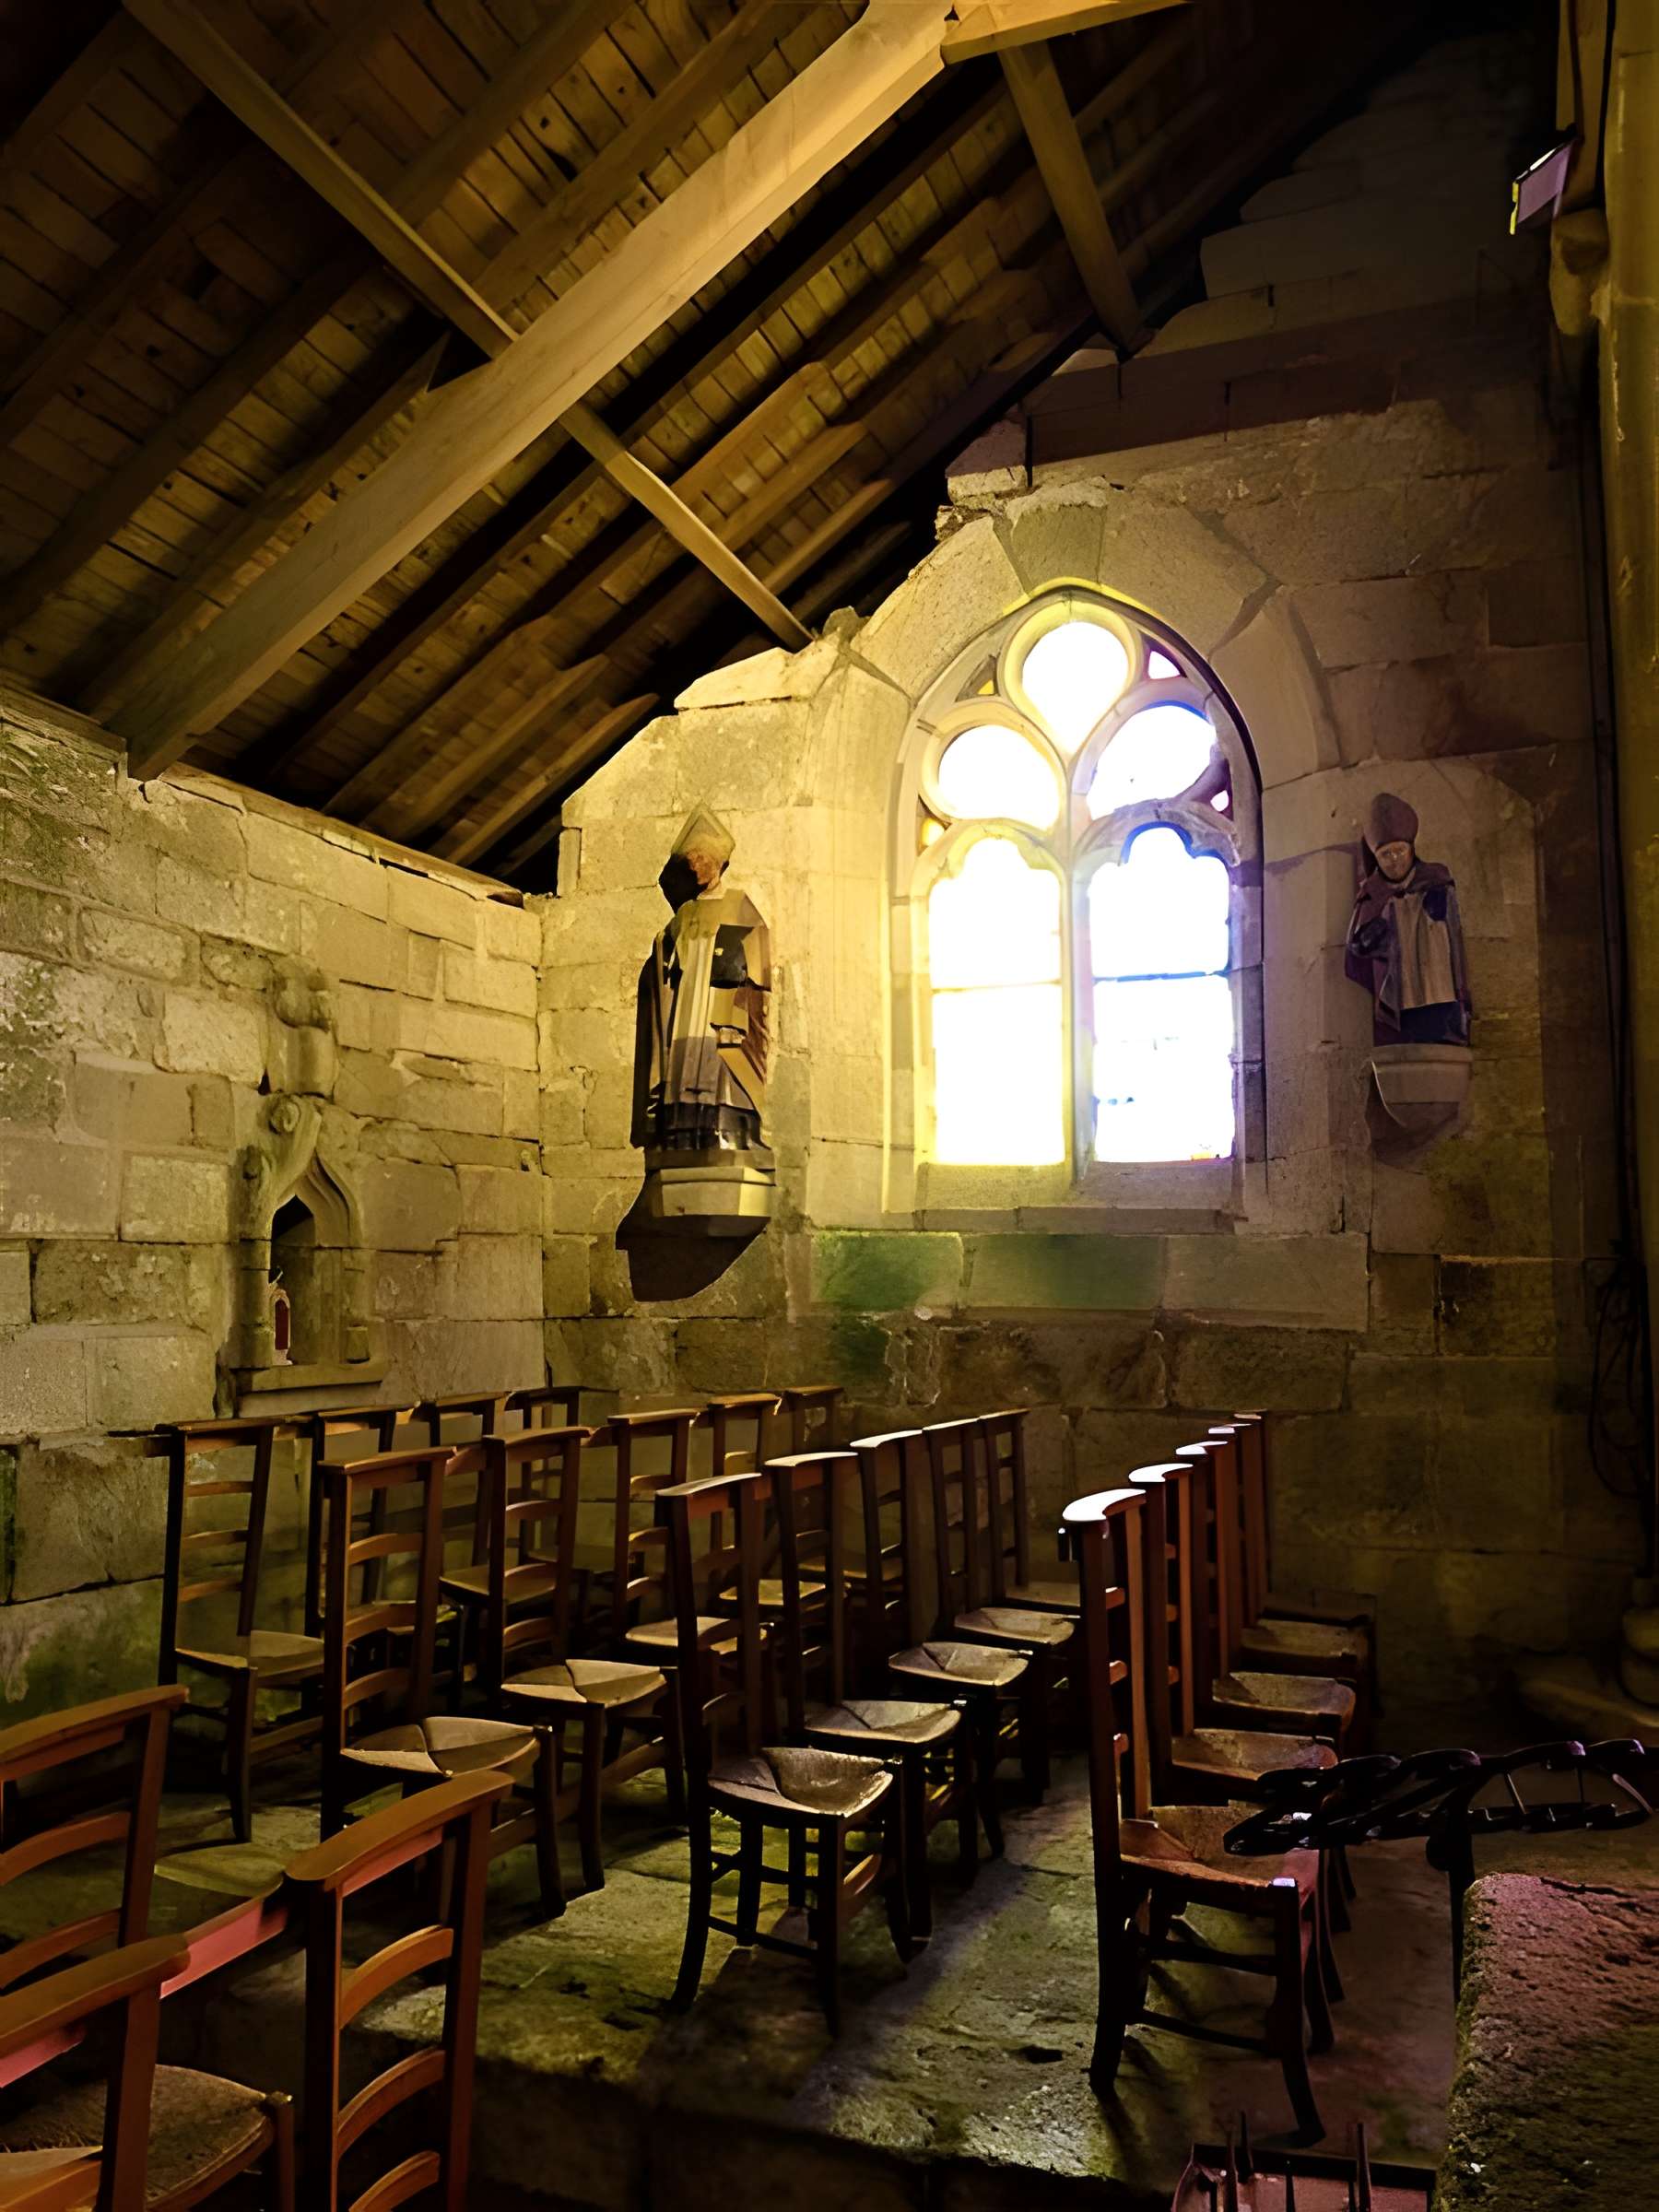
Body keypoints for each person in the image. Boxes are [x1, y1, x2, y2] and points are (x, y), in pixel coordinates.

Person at [632, 808, 771, 1154]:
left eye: (705, 858)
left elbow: (756, 965)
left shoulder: (739, 904)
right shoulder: (683, 916)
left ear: (720, 863)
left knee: (720, 1067)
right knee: (684, 1065)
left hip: (721, 1009)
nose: (698, 866)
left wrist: (737, 1014)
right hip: (686, 1008)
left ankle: (726, 1131)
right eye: (693, 859)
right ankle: (683, 1131)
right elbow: (666, 965)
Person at [1344, 792, 1470, 1047]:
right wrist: (1376, 935)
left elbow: (1455, 938)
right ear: (1376, 858)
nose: (1394, 861)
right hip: (1398, 991)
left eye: (1399, 851)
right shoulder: (1372, 893)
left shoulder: (1436, 879)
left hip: (1438, 986)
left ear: (1411, 849)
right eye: (1386, 855)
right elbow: (1355, 949)